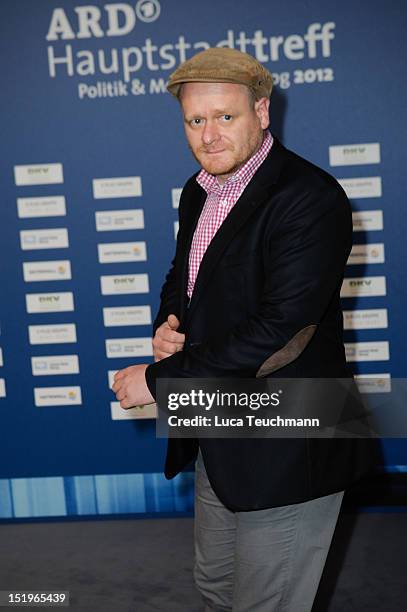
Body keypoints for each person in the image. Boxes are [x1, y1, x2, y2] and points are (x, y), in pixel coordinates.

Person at [112, 48, 374, 611]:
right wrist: (169, 322)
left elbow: (281, 329)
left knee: (266, 602)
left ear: (261, 111)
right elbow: (184, 277)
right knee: (217, 590)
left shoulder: (311, 197)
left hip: (290, 434)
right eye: (195, 120)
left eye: (225, 117)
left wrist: (162, 382)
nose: (209, 135)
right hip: (222, 423)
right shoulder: (198, 189)